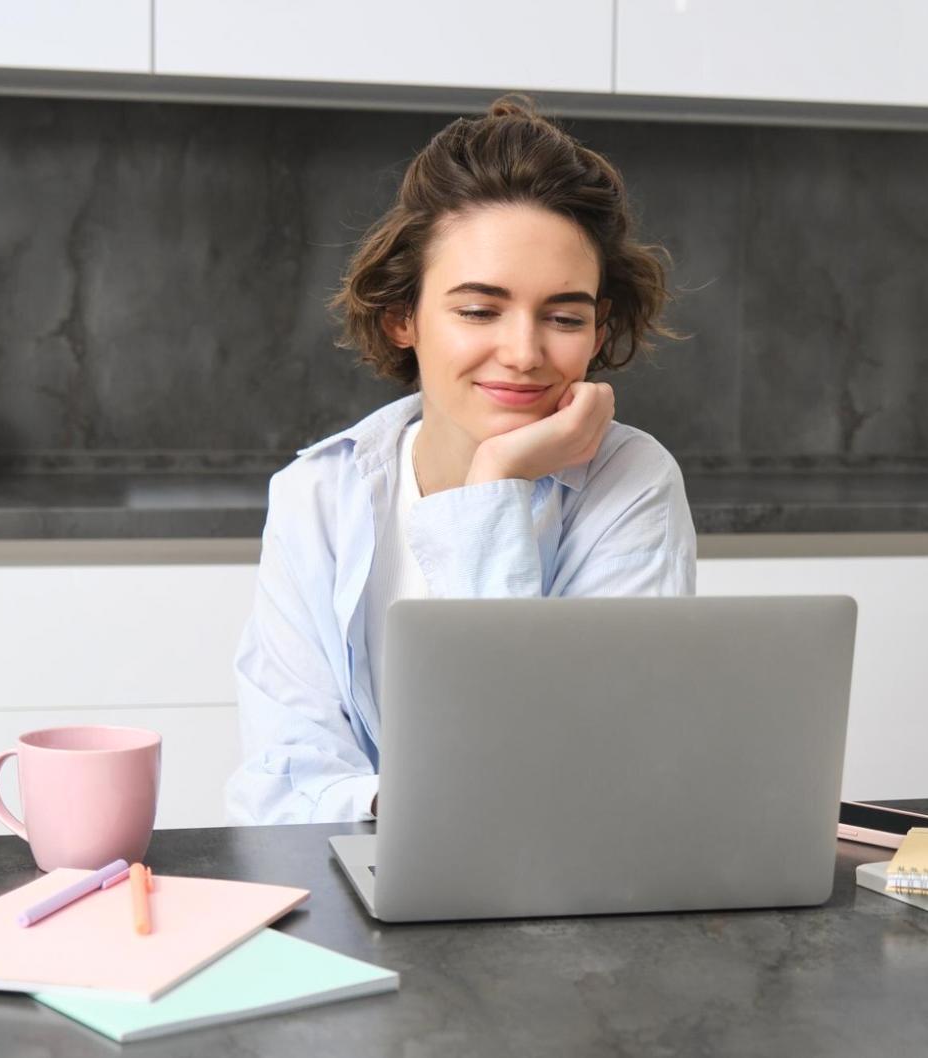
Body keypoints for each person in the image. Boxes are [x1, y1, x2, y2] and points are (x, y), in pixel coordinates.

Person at [225, 96, 697, 825]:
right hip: (352, 877)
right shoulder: (317, 495)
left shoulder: (630, 484)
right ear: (402, 316)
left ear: (600, 330)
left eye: (565, 317)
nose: (524, 352)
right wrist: (429, 815)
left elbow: (566, 779)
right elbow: (284, 774)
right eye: (479, 310)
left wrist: (496, 481)